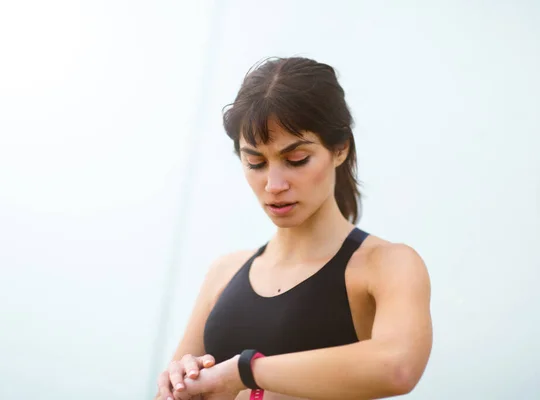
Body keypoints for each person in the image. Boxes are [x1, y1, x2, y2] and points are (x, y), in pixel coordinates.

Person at [155, 56, 432, 400]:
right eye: (255, 162)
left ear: (340, 149)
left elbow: (397, 367)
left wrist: (244, 372)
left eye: (296, 160)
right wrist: (182, 383)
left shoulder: (387, 265)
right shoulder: (224, 271)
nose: (273, 184)